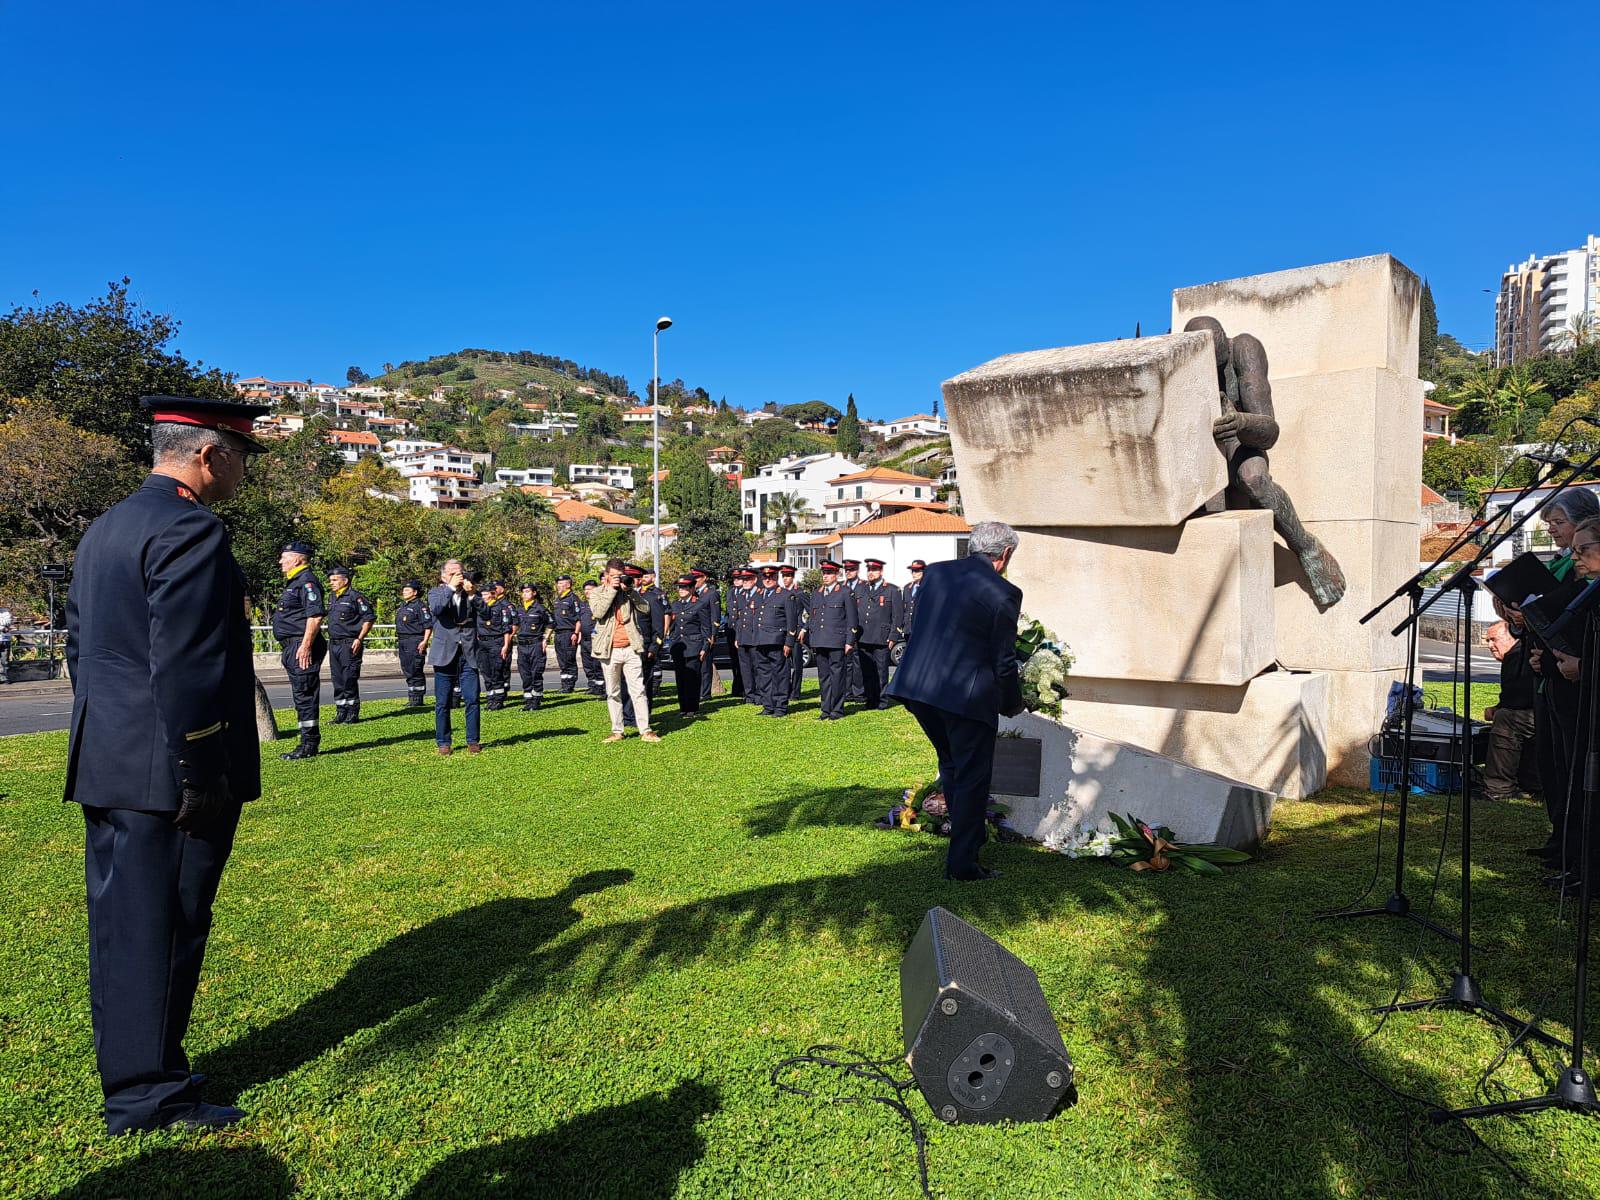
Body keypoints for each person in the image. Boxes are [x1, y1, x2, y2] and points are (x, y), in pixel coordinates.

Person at [65, 394, 268, 1133]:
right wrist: (199, 769)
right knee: (168, 925)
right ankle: (147, 1095)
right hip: (170, 772)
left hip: (111, 758)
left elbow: (81, 651)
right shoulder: (190, 531)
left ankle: (140, 1071)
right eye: (242, 457)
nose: (244, 472)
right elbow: (186, 664)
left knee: (124, 926)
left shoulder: (107, 528)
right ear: (207, 454)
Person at [886, 521, 1024, 882]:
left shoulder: (936, 574)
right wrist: (1012, 703)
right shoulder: (1005, 593)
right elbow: (1004, 661)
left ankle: (970, 833)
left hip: (920, 688)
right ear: (1005, 554)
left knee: (951, 764)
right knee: (972, 776)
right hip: (965, 696)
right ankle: (963, 864)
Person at [1528, 489, 1600, 879]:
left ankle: (1585, 862)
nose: (1575, 558)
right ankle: (1573, 854)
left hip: (1583, 693)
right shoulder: (1578, 581)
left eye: (1582, 550)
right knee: (1562, 769)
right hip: (1559, 681)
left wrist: (1583, 666)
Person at [589, 559, 659, 743]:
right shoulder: (597, 592)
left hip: (631, 648)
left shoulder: (628, 592)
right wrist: (612, 590)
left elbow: (645, 609)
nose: (617, 580)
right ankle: (617, 731)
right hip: (609, 650)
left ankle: (645, 730)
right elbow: (598, 612)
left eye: (619, 576)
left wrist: (630, 591)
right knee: (613, 692)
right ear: (606, 576)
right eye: (613, 577)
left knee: (638, 690)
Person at [272, 540, 326, 760]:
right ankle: (307, 740)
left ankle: (308, 744)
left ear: (297, 559)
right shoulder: (294, 582)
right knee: (300, 694)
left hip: (300, 645)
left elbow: (315, 616)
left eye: (284, 558)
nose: (280, 562)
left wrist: (305, 646)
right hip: (293, 645)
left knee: (305, 694)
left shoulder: (307, 582)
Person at [1481, 608, 1541, 802]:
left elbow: (1520, 698)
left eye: (1494, 640)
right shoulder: (1516, 653)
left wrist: (1498, 709)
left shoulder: (1517, 654)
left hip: (1542, 711)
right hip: (1539, 710)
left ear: (1512, 636)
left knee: (1506, 719)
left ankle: (1499, 788)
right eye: (1487, 641)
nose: (1490, 645)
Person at [428, 559, 483, 755]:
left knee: (472, 698)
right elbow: (437, 609)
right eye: (452, 573)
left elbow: (487, 614)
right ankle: (444, 742)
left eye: (460, 572)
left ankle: (473, 740)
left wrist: (472, 594)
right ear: (443, 576)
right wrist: (451, 587)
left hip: (468, 653)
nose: (458, 576)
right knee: (443, 701)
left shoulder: (470, 594)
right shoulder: (436, 593)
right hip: (445, 654)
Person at [806, 560, 859, 720]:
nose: (826, 576)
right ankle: (825, 709)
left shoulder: (845, 592)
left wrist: (850, 641)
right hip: (820, 641)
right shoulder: (816, 593)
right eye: (824, 573)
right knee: (824, 677)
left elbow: (852, 620)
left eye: (829, 573)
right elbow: (813, 618)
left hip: (837, 641)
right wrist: (812, 638)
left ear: (836, 574)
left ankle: (837, 710)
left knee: (837, 677)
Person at [324, 566, 374, 724]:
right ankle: (341, 712)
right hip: (334, 644)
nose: (331, 583)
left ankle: (352, 713)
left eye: (334, 580)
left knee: (348, 678)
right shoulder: (332, 597)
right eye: (330, 580)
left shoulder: (355, 597)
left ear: (345, 580)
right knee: (337, 679)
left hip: (349, 643)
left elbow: (369, 618)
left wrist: (359, 638)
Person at [751, 563, 798, 717]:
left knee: (780, 675)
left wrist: (789, 642)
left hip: (777, 641)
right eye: (765, 576)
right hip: (760, 640)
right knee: (764, 675)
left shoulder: (786, 595)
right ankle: (768, 705)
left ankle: (780, 707)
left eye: (771, 576)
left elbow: (792, 621)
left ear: (776, 577)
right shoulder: (758, 595)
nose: (768, 579)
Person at [856, 558, 903, 709]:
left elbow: (897, 616)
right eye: (868, 570)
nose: (870, 573)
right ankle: (870, 699)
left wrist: (893, 636)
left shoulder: (892, 590)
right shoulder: (861, 589)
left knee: (881, 671)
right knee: (867, 671)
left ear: (881, 571)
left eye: (874, 570)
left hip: (881, 637)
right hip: (863, 636)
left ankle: (882, 700)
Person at [667, 574, 713, 715]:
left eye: (685, 587)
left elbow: (706, 628)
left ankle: (692, 708)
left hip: (694, 646)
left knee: (692, 678)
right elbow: (673, 627)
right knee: (680, 678)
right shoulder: (675, 604)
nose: (681, 590)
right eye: (679, 587)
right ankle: (683, 707)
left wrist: (705, 647)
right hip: (679, 647)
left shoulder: (699, 605)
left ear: (692, 588)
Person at [513, 583, 551, 710]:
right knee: (525, 673)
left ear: (534, 593)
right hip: (522, 645)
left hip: (535, 643)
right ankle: (528, 700)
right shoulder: (518, 610)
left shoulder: (540, 608)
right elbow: (515, 625)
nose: (525, 594)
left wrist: (546, 638)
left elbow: (551, 623)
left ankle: (536, 700)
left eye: (528, 591)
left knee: (536, 672)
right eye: (523, 592)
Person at [394, 580, 432, 707]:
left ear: (415, 592)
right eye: (404, 590)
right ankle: (412, 697)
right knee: (407, 669)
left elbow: (428, 626)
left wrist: (424, 641)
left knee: (415, 669)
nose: (404, 592)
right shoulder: (404, 606)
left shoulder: (420, 606)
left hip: (415, 640)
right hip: (403, 641)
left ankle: (417, 698)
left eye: (407, 590)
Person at [731, 567, 760, 706]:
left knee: (757, 668)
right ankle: (749, 695)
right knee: (745, 669)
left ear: (754, 580)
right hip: (742, 638)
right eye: (744, 579)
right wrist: (737, 637)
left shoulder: (761, 594)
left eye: (748, 579)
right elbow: (739, 618)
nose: (745, 582)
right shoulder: (741, 596)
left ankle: (759, 695)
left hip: (755, 638)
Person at [693, 568, 722, 701]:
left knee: (705, 665)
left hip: (707, 634)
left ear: (704, 578)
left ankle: (705, 693)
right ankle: (698, 690)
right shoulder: (695, 594)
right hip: (695, 634)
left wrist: (713, 635)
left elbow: (715, 617)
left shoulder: (711, 593)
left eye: (697, 578)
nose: (695, 581)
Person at [781, 564, 809, 703]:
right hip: (783, 633)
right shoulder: (780, 593)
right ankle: (785, 690)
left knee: (797, 665)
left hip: (797, 633)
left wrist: (804, 628)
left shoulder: (800, 593)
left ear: (793, 577)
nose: (785, 579)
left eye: (788, 576)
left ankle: (795, 692)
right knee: (784, 665)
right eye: (783, 576)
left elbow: (812, 613)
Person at [638, 567, 667, 700]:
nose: (643, 579)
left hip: (652, 637)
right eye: (642, 576)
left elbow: (665, 615)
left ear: (653, 577)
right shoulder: (638, 593)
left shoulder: (657, 594)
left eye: (646, 576)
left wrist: (662, 635)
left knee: (654, 665)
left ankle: (655, 687)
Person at [551, 574, 582, 693]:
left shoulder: (573, 599)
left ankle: (570, 684)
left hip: (569, 632)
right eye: (558, 583)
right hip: (558, 633)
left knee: (569, 659)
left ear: (568, 584)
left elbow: (578, 618)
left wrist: (576, 632)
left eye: (561, 583)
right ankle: (564, 684)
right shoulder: (558, 599)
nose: (558, 585)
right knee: (562, 659)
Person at [841, 559, 867, 702]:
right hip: (845, 629)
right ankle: (847, 690)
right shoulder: (842, 587)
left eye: (851, 569)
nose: (848, 572)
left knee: (858, 661)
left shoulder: (864, 586)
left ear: (857, 570)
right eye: (846, 570)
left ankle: (859, 692)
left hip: (860, 628)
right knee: (846, 661)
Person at [579, 579, 606, 695]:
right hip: (584, 640)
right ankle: (592, 686)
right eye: (585, 590)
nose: (587, 592)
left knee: (597, 664)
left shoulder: (600, 603)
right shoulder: (583, 605)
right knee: (587, 664)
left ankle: (601, 687)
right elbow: (579, 621)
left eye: (589, 589)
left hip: (596, 639)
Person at [901, 559, 926, 642]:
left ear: (924, 571)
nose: (914, 573)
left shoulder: (929, 588)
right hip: (908, 630)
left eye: (917, 570)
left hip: (922, 630)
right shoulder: (907, 588)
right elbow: (905, 609)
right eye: (912, 571)